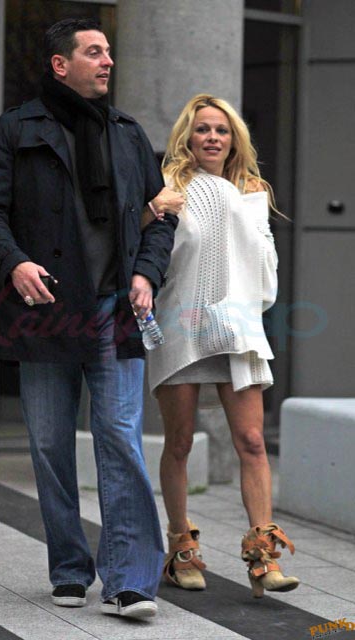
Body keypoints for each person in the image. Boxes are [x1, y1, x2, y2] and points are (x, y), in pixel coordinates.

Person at [0, 17, 183, 619]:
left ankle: (130, 579)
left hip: (116, 308)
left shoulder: (127, 134)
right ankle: (68, 566)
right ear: (61, 65)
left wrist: (147, 274)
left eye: (109, 51)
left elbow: (160, 217)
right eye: (94, 52)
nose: (108, 60)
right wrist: (13, 262)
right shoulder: (16, 129)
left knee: (120, 438)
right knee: (49, 445)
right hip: (45, 310)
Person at [147, 94, 299, 597]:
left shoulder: (252, 191)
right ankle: (181, 550)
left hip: (238, 327)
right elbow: (150, 253)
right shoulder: (168, 188)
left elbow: (266, 272)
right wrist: (154, 210)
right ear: (187, 137)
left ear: (234, 139)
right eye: (203, 129)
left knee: (252, 441)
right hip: (181, 324)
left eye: (222, 130)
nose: (212, 137)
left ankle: (263, 554)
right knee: (180, 442)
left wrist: (252, 211)